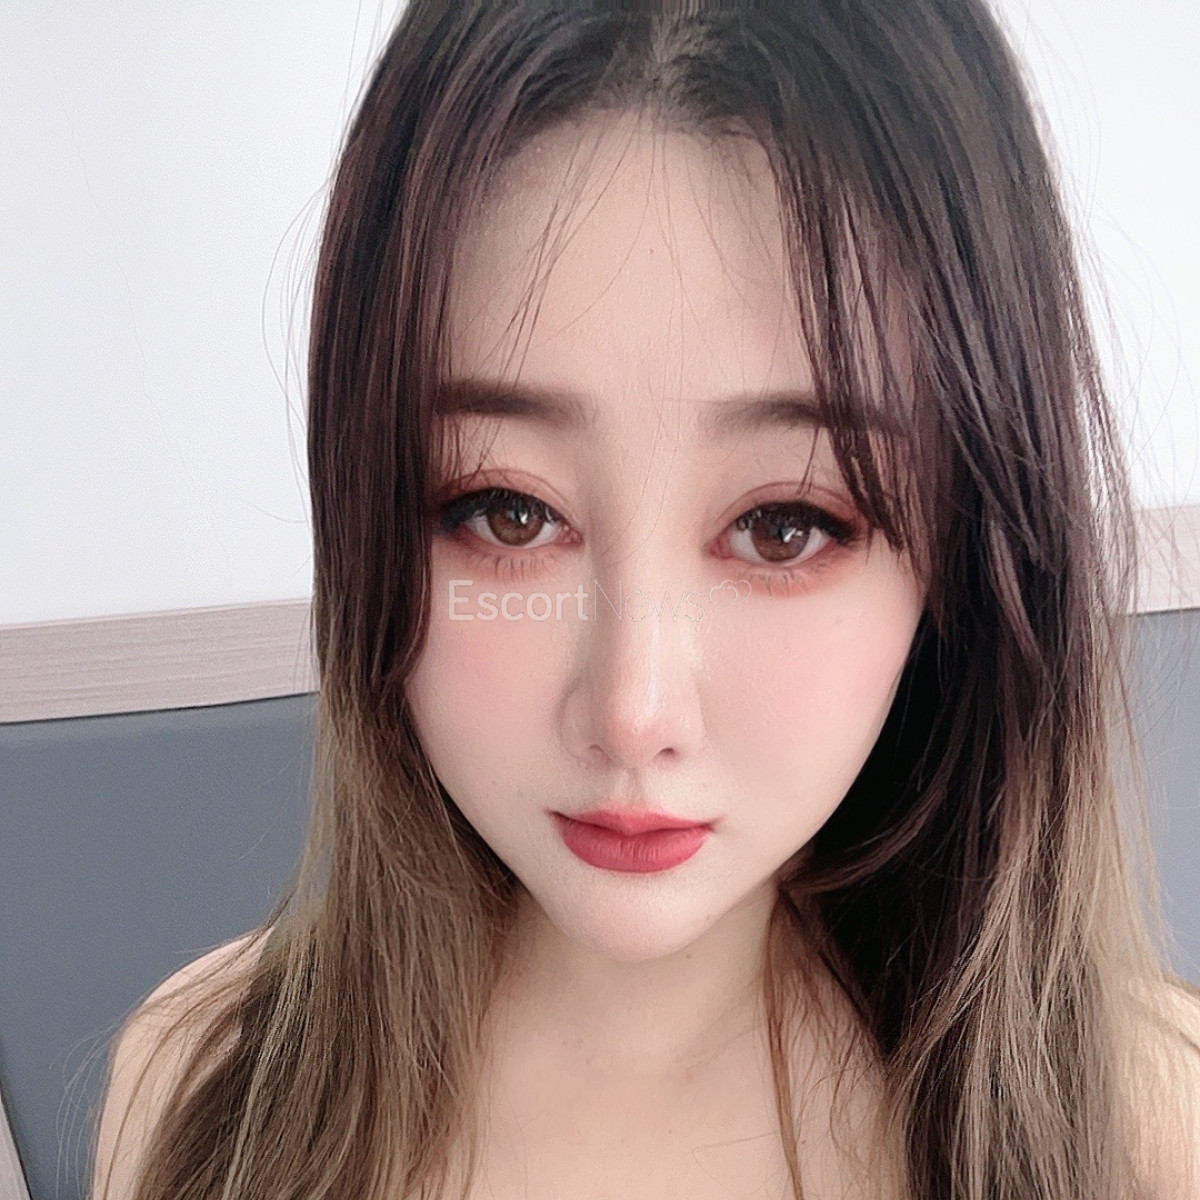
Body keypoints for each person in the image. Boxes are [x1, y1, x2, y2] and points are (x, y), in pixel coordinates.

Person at [91, 2, 1200, 1198]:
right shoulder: (206, 1087)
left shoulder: (1149, 1133)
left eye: (784, 526)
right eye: (505, 511)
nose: (633, 712)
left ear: (966, 552)